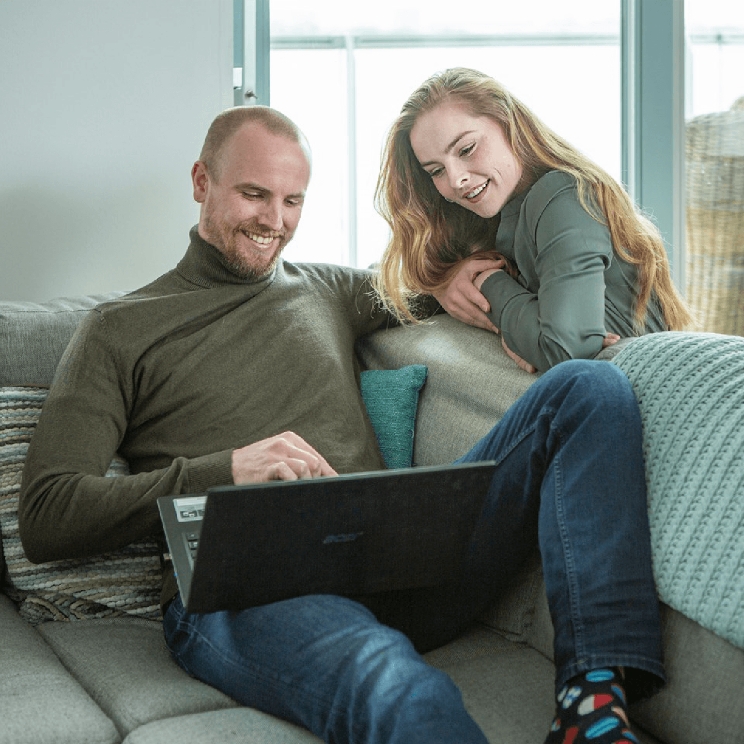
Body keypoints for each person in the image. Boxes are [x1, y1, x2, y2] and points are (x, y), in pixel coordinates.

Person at [19, 105, 664, 744]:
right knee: (396, 687)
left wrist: (490, 292)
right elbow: (49, 514)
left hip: (397, 559)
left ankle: (592, 704)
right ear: (200, 183)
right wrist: (226, 471)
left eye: (293, 200)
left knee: (586, 386)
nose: (275, 222)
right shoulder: (120, 331)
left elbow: (439, 270)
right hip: (249, 586)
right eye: (254, 195)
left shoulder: (324, 288)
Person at [375, 67, 692, 373]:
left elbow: (566, 353)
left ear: (508, 124)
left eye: (467, 149)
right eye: (436, 171)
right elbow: (388, 291)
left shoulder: (562, 196)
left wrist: (488, 285)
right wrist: (446, 285)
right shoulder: (493, 218)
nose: (456, 179)